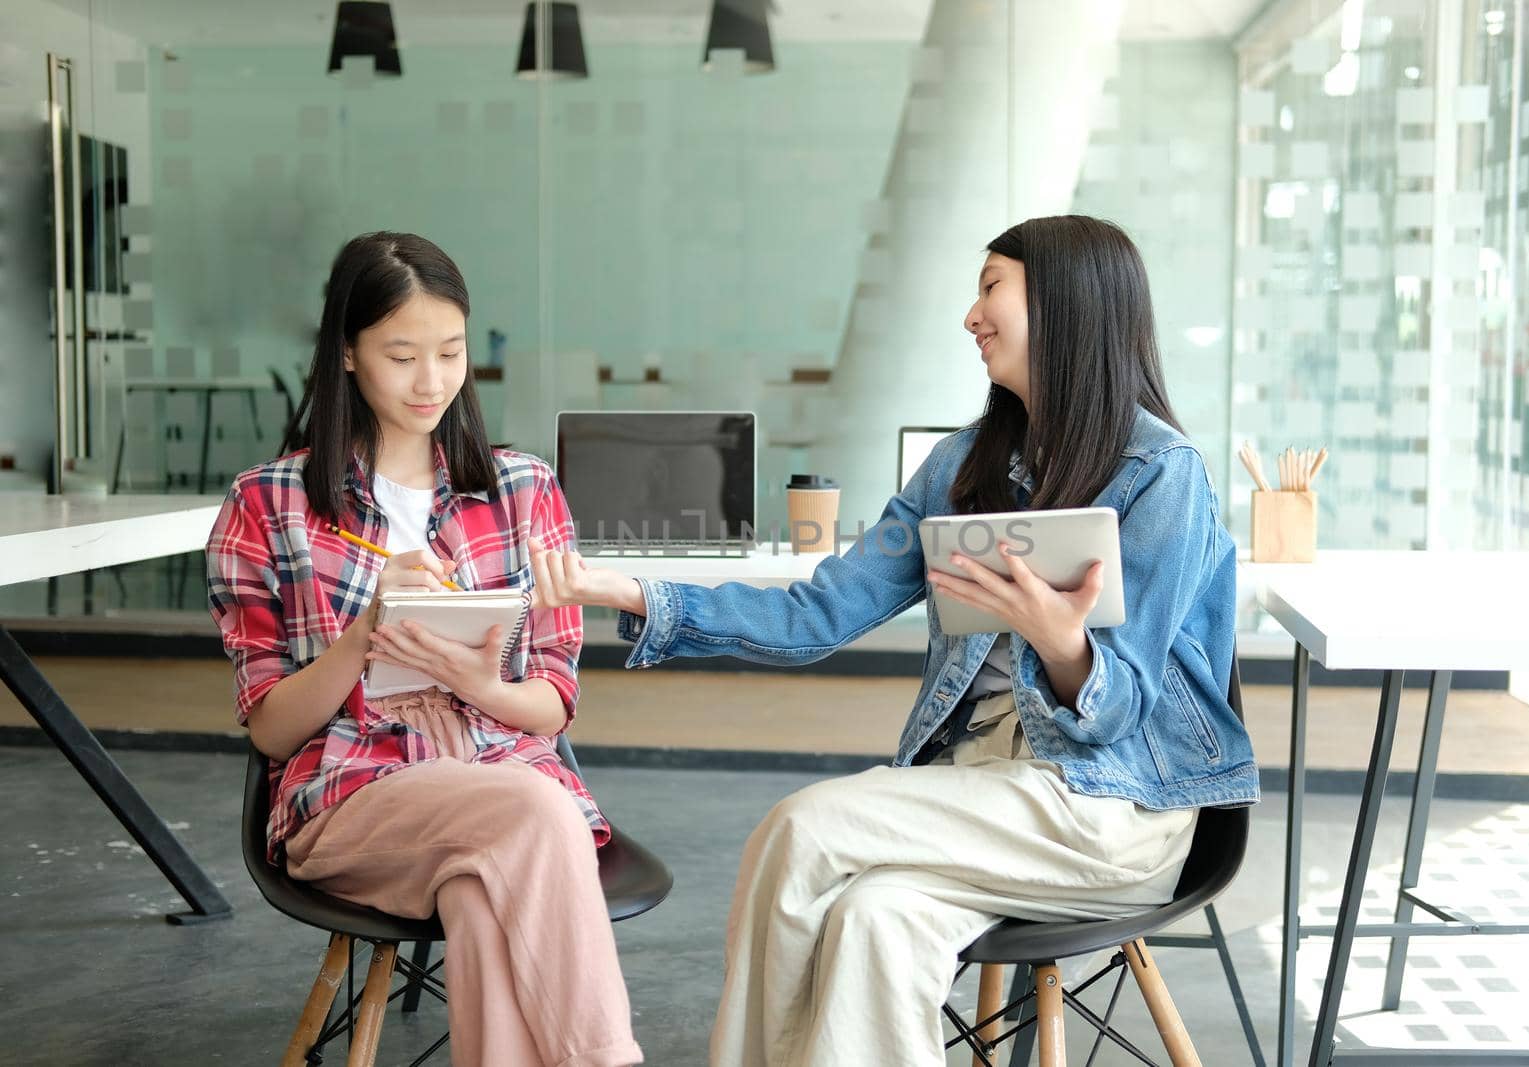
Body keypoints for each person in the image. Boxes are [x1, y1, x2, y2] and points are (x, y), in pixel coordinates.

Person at [528, 215, 1259, 1066]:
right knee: (876, 919)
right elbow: (819, 614)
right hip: (974, 792)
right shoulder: (959, 467)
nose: (971, 315)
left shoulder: (1162, 474)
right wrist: (630, 591)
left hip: (1108, 803)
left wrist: (1066, 647)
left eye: (992, 287)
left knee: (802, 829)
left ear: (1066, 305)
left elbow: (1120, 707)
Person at [205, 231, 641, 1067]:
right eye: (403, 355)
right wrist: (364, 637)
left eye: (451, 351)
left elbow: (551, 696)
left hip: (499, 762)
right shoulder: (267, 504)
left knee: (482, 900)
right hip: (355, 786)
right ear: (347, 354)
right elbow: (269, 729)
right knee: (535, 809)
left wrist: (481, 680)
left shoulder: (522, 489)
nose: (432, 380)